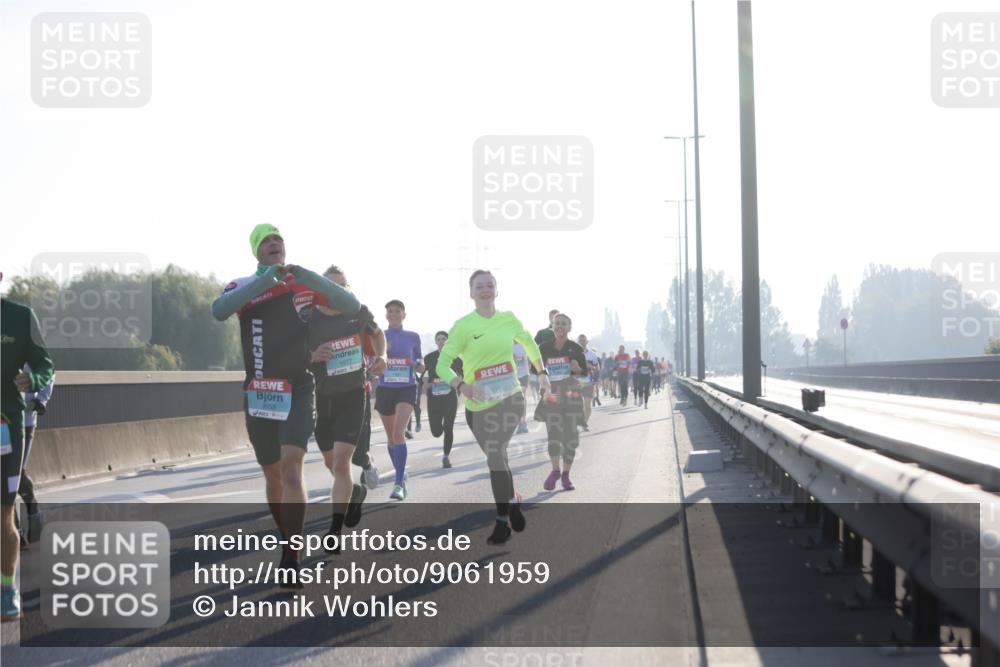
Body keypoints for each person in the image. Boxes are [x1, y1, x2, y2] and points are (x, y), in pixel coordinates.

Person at [212, 224, 360, 585]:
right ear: (256, 251)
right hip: (260, 392)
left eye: (278, 239)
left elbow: (350, 304)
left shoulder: (303, 285)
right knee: (273, 474)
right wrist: (267, 281)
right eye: (265, 240)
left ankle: (291, 553)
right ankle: (287, 537)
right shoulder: (242, 285)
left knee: (293, 468)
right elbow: (219, 310)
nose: (274, 243)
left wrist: (307, 276)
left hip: (298, 388)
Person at [436, 270, 550, 545]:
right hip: (477, 405)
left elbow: (529, 343)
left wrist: (541, 371)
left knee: (495, 455)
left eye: (490, 285)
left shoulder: (508, 319)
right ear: (471, 293)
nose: (485, 290)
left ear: (497, 291)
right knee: (497, 458)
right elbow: (442, 364)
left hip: (510, 397)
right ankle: (511, 500)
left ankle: (502, 521)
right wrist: (461, 386)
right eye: (479, 286)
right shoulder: (463, 326)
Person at [306, 265, 386, 554]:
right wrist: (311, 355)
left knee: (341, 463)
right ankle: (356, 492)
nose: (337, 292)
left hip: (353, 396)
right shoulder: (308, 317)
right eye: (331, 286)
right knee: (332, 465)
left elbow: (378, 336)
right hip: (323, 399)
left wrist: (382, 356)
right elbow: (291, 354)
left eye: (342, 286)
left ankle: (334, 531)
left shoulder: (358, 311)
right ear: (320, 289)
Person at [2, 282, 55, 620]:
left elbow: (45, 364)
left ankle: (7, 590)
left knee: (3, 516)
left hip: (6, 427)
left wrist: (33, 382)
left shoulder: (20, 317)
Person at [375, 299, 423, 501]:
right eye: (390, 311)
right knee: (390, 438)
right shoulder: (379, 336)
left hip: (407, 388)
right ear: (386, 315)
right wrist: (381, 357)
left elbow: (419, 359)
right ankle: (401, 475)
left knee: (398, 433)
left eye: (398, 311)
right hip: (386, 389)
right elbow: (371, 361)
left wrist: (420, 365)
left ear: (404, 315)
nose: (394, 314)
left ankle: (398, 483)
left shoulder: (413, 336)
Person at [537, 315, 589, 491]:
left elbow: (584, 373)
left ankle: (566, 475)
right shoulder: (543, 348)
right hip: (551, 395)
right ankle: (555, 471)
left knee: (571, 437)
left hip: (572, 395)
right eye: (557, 324)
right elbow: (536, 371)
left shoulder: (575, 348)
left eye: (563, 324)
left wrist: (577, 369)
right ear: (552, 326)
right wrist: (542, 383)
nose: (560, 326)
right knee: (553, 434)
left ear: (569, 327)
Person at [17, 364, 53, 547]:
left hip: (25, 422)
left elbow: (49, 370)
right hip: (3, 422)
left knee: (16, 474)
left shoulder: (29, 346)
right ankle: (15, 532)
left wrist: (41, 400)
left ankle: (33, 512)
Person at [423, 331, 463, 468]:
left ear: (448, 341)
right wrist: (426, 383)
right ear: (436, 342)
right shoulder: (429, 358)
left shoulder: (456, 359)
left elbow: (462, 377)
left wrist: (458, 382)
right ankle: (438, 432)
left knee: (448, 427)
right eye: (439, 339)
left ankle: (446, 456)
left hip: (450, 396)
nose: (441, 341)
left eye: (444, 339)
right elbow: (425, 376)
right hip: (434, 398)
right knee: (436, 432)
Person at [576, 334, 599, 430]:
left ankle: (584, 423)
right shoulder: (574, 354)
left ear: (587, 342)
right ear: (578, 342)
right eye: (580, 340)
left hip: (589, 383)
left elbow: (597, 368)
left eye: (583, 340)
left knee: (588, 406)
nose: (582, 342)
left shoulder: (592, 355)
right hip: (576, 383)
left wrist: (591, 367)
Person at [513, 342, 531, 434]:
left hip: (524, 374)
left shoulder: (523, 345)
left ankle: (523, 423)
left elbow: (529, 357)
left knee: (521, 397)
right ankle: (520, 422)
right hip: (513, 376)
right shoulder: (506, 345)